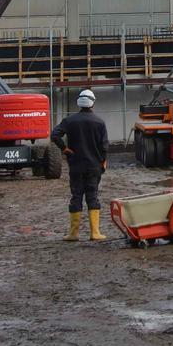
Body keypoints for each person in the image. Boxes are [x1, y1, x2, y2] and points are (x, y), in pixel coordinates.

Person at [55, 89, 109, 241]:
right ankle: (95, 233)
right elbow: (104, 146)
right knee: (93, 196)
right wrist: (103, 161)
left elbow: (55, 135)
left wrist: (64, 148)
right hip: (94, 166)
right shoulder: (99, 122)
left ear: (79, 102)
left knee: (76, 196)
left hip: (76, 165)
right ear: (92, 102)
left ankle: (73, 234)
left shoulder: (69, 120)